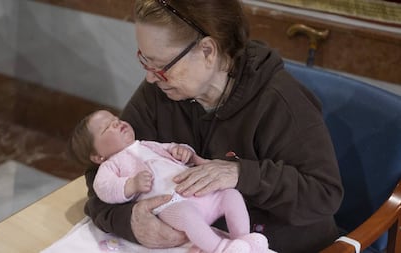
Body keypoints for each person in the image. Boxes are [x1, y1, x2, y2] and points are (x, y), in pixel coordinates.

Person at [83, 1, 344, 252]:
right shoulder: (159, 92)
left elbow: (323, 194)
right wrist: (128, 220)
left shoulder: (280, 101)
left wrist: (241, 174)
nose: (151, 76)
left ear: (207, 51)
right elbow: (101, 176)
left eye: (161, 66)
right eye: (145, 61)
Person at [68, 109, 269, 253]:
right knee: (188, 216)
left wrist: (183, 152)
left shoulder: (147, 144)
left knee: (230, 194)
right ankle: (221, 248)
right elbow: (103, 188)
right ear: (98, 157)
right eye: (106, 128)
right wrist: (131, 186)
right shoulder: (110, 166)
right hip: (172, 205)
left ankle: (242, 238)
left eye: (115, 118)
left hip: (200, 193)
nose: (117, 123)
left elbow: (172, 147)